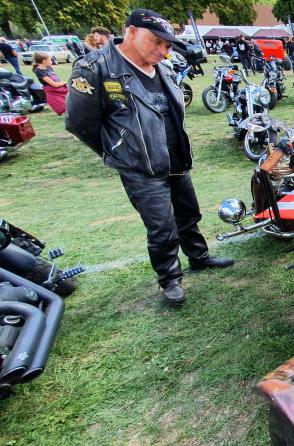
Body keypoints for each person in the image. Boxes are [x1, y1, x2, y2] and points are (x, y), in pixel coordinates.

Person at [65, 9, 234, 305]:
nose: (162, 51)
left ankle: (199, 256)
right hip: (140, 166)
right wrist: (118, 151)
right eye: (156, 42)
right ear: (130, 31)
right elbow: (80, 123)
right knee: (161, 227)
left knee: (188, 214)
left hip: (175, 159)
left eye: (167, 46)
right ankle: (170, 280)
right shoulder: (96, 68)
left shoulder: (163, 69)